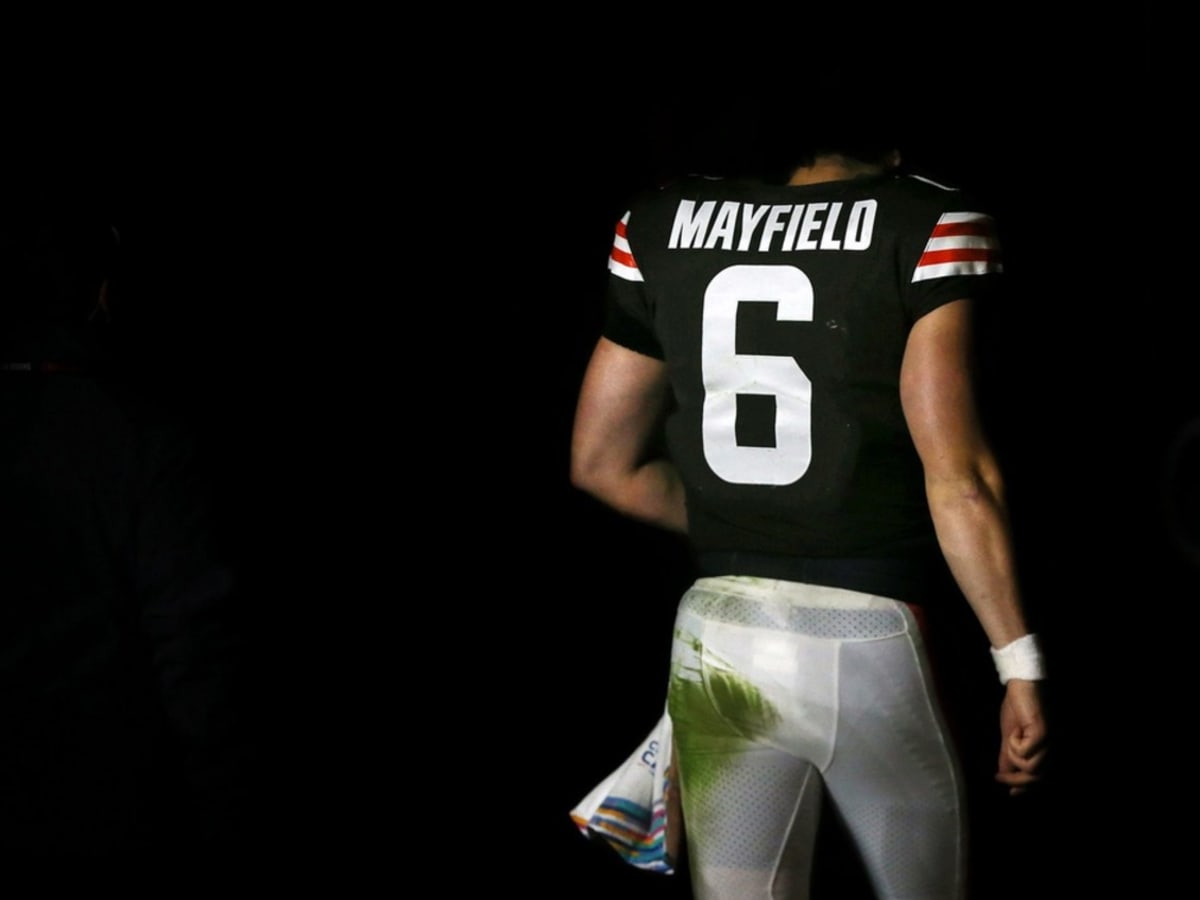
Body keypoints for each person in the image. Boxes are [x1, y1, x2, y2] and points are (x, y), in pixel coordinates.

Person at [569, 131, 1048, 899]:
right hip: (870, 639)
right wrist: (1019, 663)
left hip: (716, 639)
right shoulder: (924, 220)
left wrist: (756, 527)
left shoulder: (660, 221)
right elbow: (958, 479)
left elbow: (601, 464)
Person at [0, 196, 256, 863]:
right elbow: (194, 657)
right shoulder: (139, 440)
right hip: (96, 807)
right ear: (100, 296)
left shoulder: (129, 436)